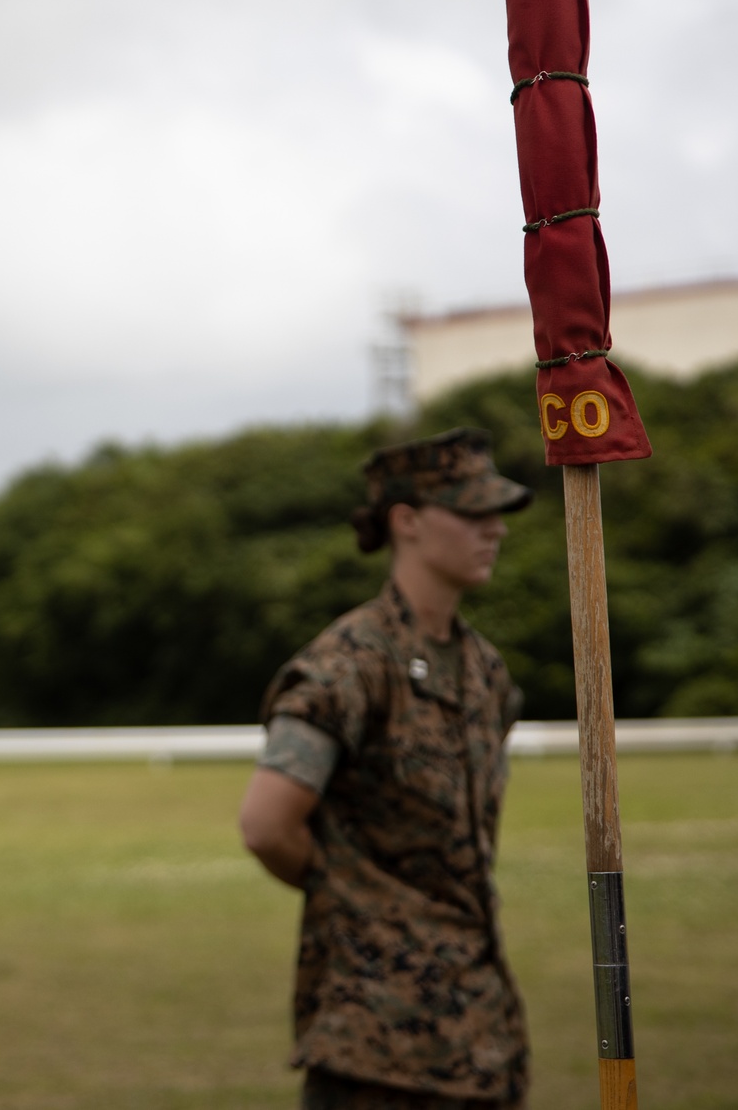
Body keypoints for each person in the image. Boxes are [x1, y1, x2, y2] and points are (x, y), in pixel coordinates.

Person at [239, 426, 533, 1109]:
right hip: (378, 1048)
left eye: (498, 514)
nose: (495, 531)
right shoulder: (350, 664)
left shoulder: (484, 672)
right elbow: (266, 824)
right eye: (471, 512)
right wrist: (361, 900)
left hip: (480, 1034)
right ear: (406, 521)